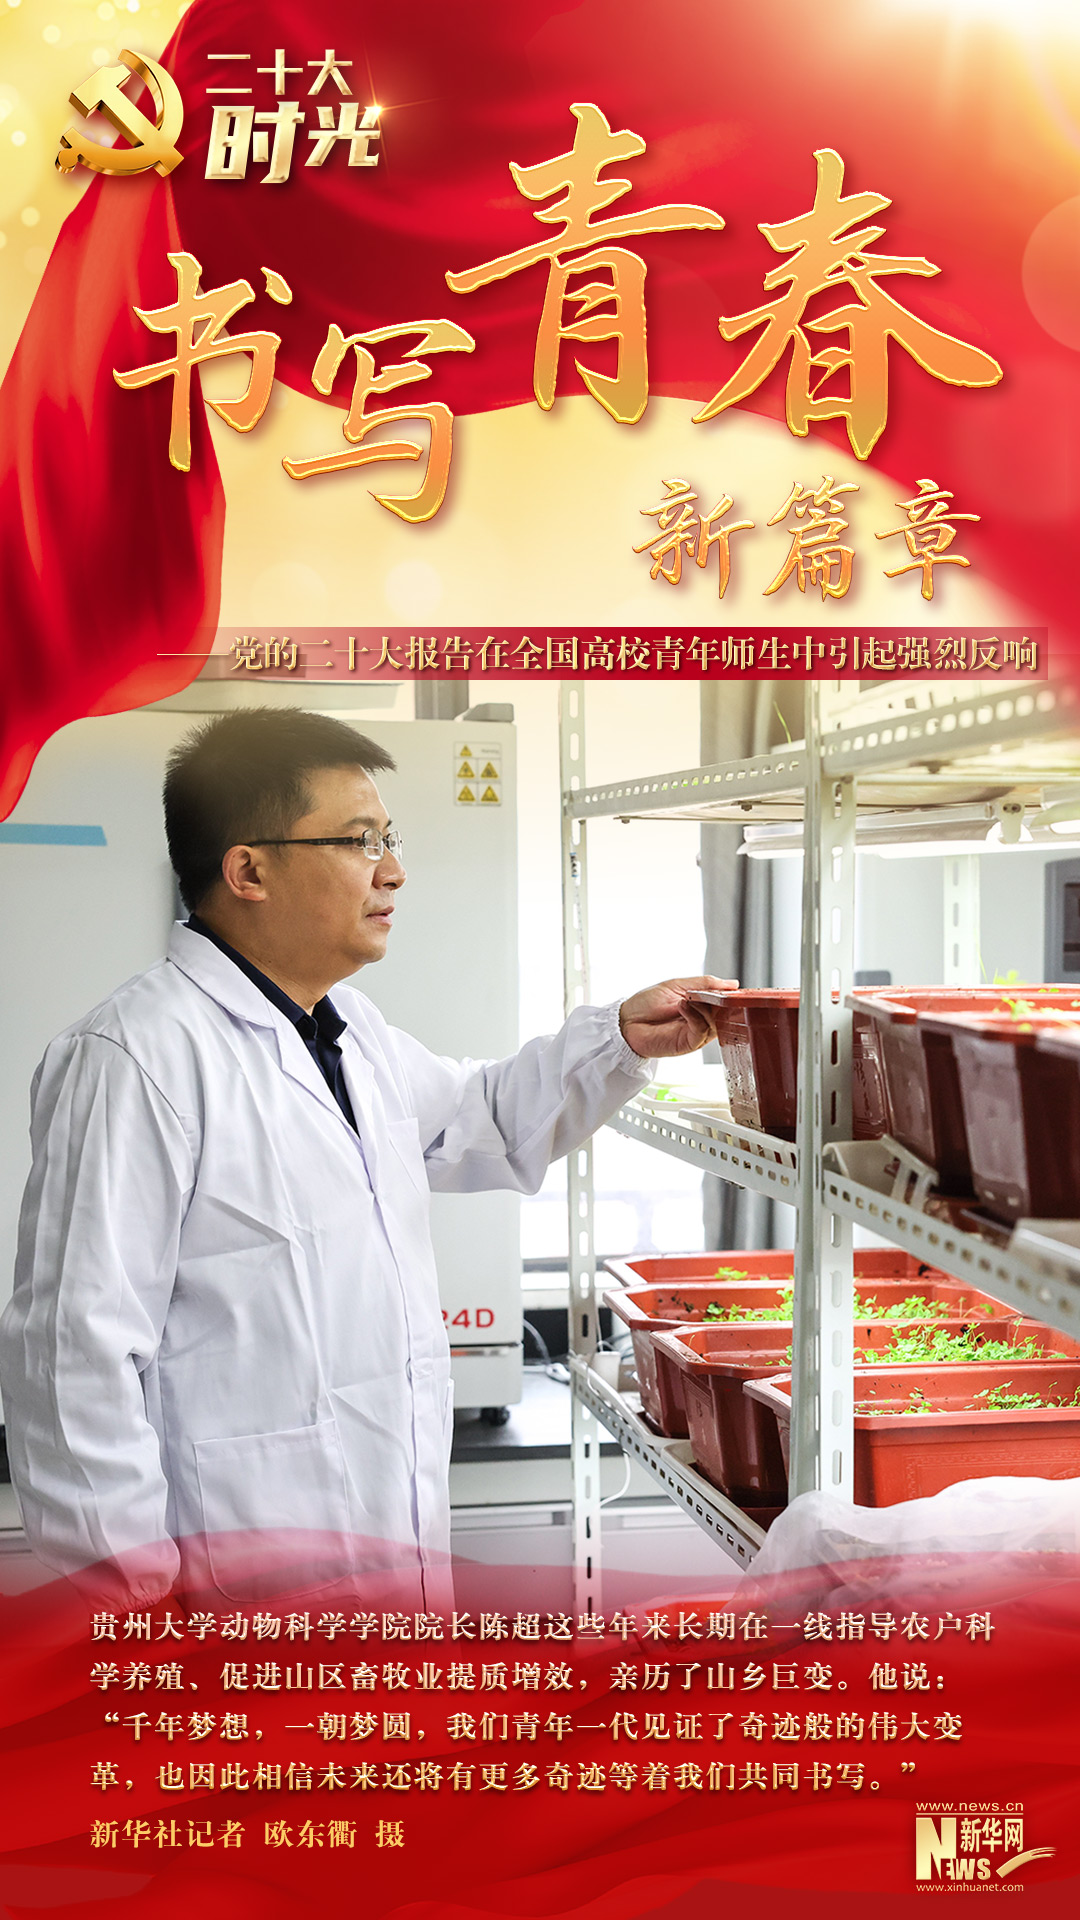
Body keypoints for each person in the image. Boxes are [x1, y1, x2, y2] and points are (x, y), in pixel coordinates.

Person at [0, 709, 728, 1607]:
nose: (393, 870)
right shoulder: (134, 1057)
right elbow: (73, 1364)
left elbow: (481, 1116)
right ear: (248, 870)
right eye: (357, 841)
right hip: (225, 1610)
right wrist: (136, 1616)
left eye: (389, 837)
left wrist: (618, 1039)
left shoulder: (349, 1033)